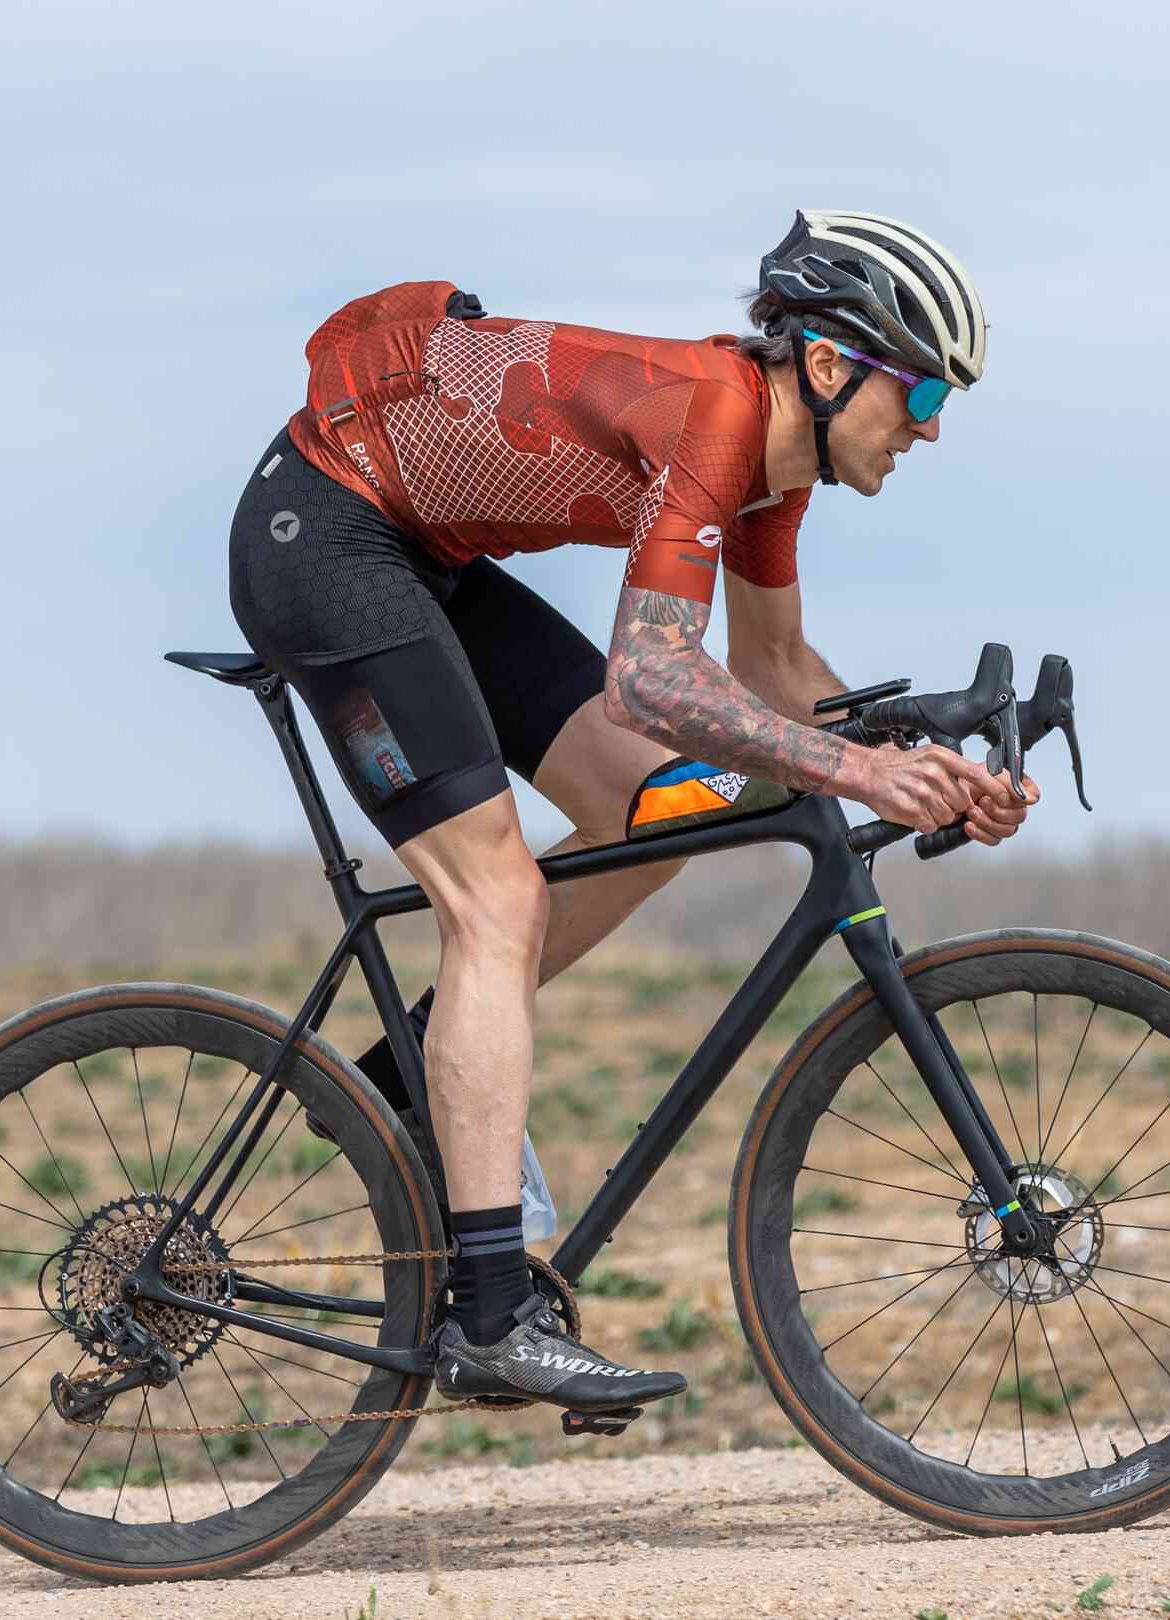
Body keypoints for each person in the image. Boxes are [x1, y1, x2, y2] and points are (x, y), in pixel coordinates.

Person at [226, 209, 1039, 1414]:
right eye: (920, 399)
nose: (927, 432)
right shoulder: (713, 418)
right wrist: (858, 773)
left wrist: (922, 759)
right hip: (327, 540)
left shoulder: (777, 475)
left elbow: (773, 675)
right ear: (827, 366)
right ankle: (493, 1315)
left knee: (659, 807)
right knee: (495, 899)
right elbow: (654, 676)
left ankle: (419, 1071)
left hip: (418, 555)